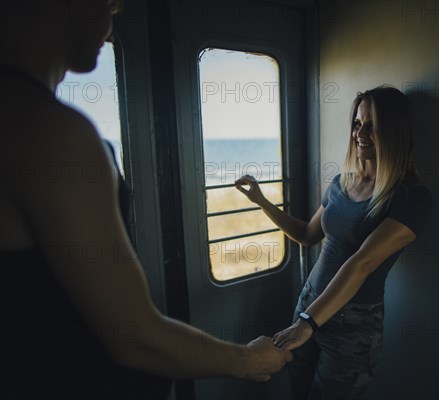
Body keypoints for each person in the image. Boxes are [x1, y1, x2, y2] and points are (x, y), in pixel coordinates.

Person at [0, 1, 291, 398]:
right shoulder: (50, 131)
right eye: (109, 7)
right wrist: (250, 360)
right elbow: (135, 336)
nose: (108, 28)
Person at [235, 85, 433, 399]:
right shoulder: (342, 183)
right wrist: (261, 200)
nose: (361, 133)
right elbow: (306, 235)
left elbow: (363, 262)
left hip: (351, 324)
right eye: (357, 124)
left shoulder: (412, 198)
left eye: (372, 126)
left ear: (394, 132)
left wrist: (307, 324)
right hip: (310, 302)